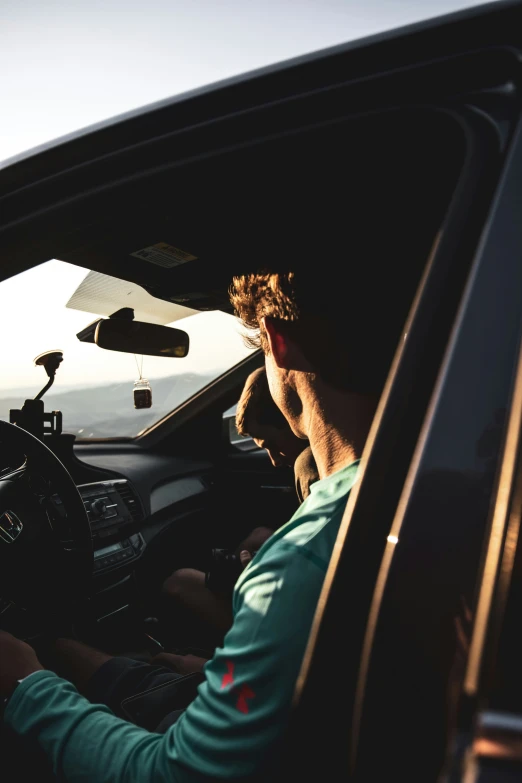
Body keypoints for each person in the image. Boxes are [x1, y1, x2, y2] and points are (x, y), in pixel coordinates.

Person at [0, 265, 408, 782]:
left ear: (277, 342)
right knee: (62, 647)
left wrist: (22, 684)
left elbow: (175, 775)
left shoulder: (305, 557)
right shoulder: (415, 490)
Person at [159, 366, 319, 672]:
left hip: (290, 622)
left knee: (177, 583)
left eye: (270, 443)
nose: (273, 460)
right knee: (258, 535)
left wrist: (250, 574)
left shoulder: (308, 467)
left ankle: (200, 661)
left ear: (291, 420)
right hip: (297, 598)